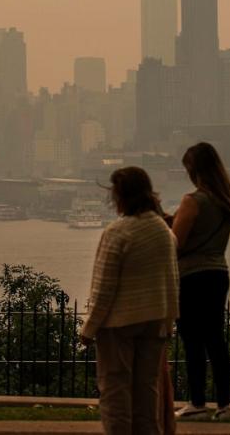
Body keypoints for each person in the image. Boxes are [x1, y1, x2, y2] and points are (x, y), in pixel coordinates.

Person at [81, 166, 180, 435]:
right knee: (148, 394)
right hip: (155, 323)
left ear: (120, 196)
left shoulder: (118, 232)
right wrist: (168, 322)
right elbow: (172, 281)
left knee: (116, 392)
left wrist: (89, 329)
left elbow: (103, 289)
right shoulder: (164, 231)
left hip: (119, 325)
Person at [166, 142, 230, 421]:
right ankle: (224, 405)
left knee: (192, 341)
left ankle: (197, 402)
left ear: (195, 171)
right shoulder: (227, 201)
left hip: (191, 277)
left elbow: (177, 243)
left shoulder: (192, 201)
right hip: (218, 273)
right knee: (216, 340)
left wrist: (164, 221)